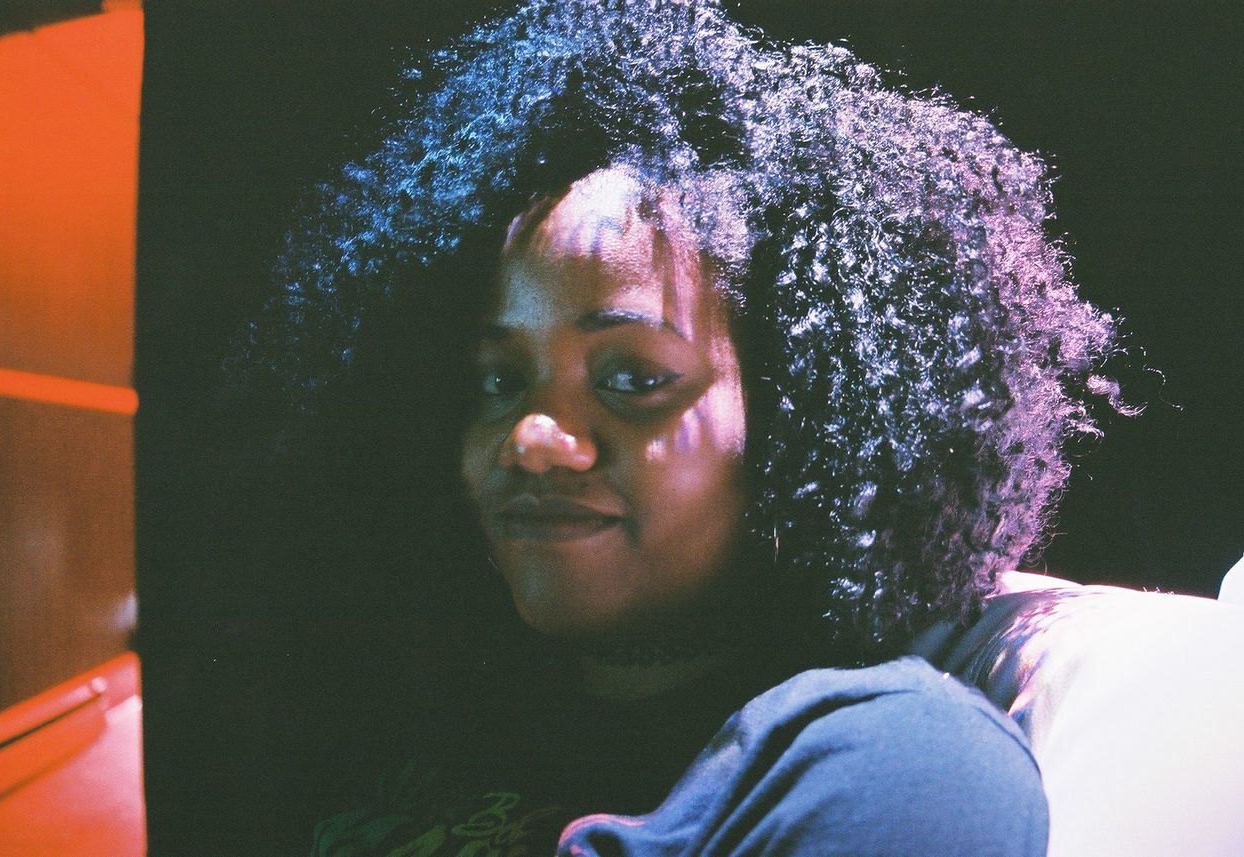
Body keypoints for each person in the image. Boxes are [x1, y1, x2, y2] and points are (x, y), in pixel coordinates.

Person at [236, 1, 1119, 853]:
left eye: (632, 379)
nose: (533, 439)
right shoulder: (421, 723)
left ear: (792, 419)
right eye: (499, 380)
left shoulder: (894, 763)